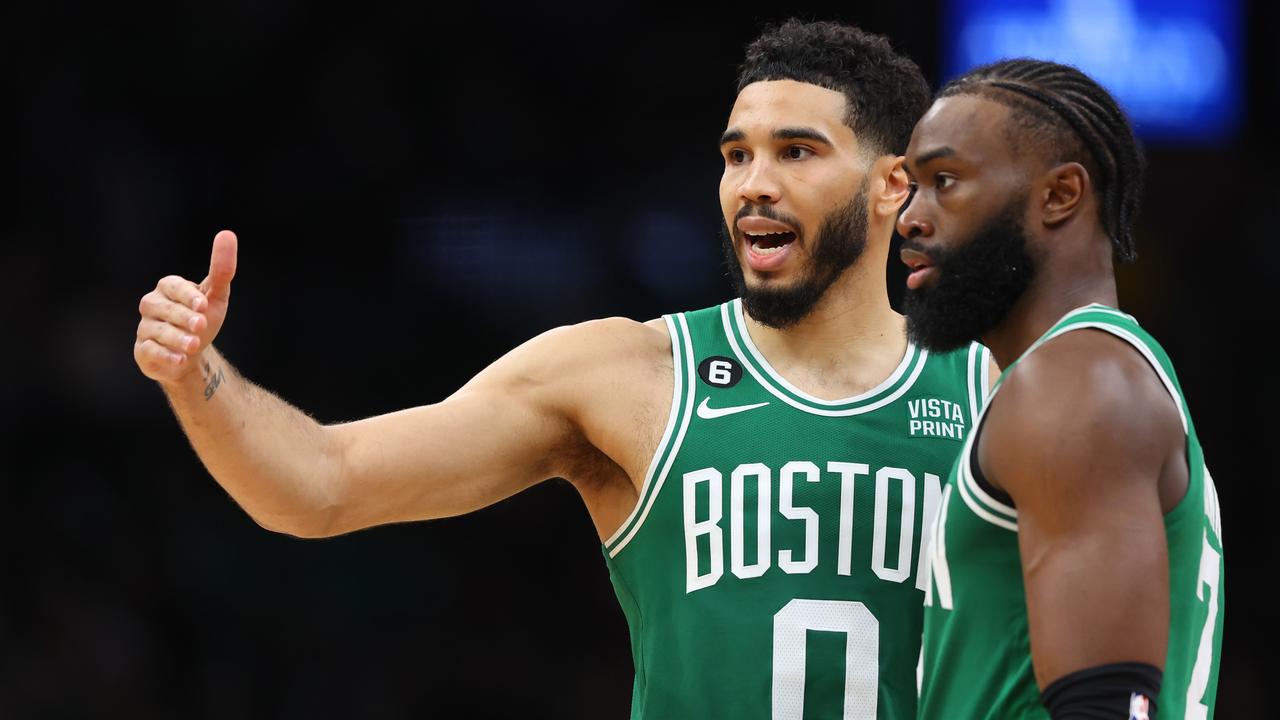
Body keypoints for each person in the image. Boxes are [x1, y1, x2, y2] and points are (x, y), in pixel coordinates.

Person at [135, 20, 990, 718]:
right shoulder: (630, 373)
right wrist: (198, 377)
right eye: (736, 156)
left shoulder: (998, 393)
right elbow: (322, 484)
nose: (752, 185)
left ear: (892, 187)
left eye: (796, 152)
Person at [898, 59, 1224, 719]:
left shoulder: (1075, 384)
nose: (909, 218)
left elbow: (1108, 706)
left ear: (1060, 195)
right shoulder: (1085, 372)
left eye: (944, 181)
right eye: (910, 188)